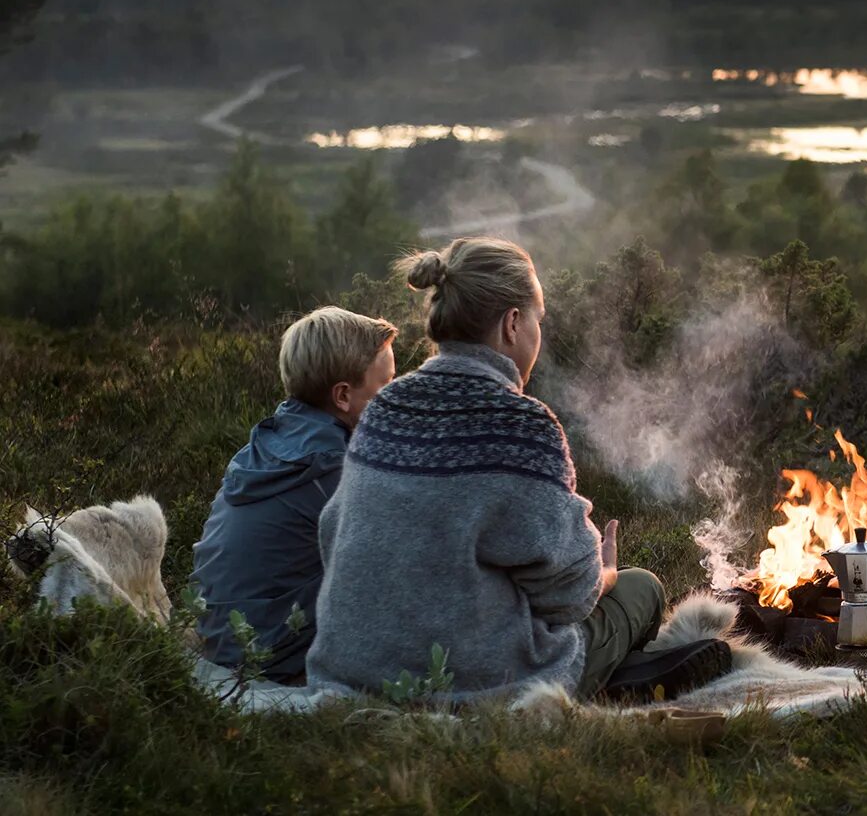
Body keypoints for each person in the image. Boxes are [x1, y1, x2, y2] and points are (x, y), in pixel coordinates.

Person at [308, 236, 727, 703]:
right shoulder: (520, 424)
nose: (537, 335)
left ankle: (624, 673)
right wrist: (603, 574)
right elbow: (569, 596)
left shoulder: (384, 406)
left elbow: (333, 532)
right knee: (642, 588)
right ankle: (618, 679)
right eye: (537, 320)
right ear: (512, 323)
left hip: (353, 672)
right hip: (470, 686)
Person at [190, 306, 397, 684]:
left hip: (223, 637)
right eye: (385, 387)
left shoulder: (270, 442)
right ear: (343, 396)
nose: (394, 400)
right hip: (269, 656)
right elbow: (389, 566)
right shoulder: (331, 469)